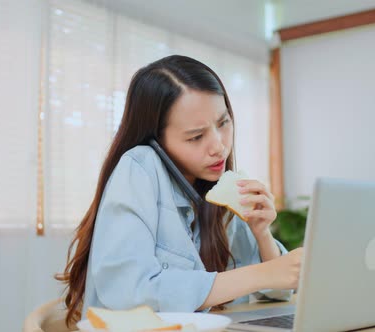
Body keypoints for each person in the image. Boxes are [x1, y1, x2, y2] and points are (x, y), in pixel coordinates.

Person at [56, 55, 303, 326]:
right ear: (157, 139)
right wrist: (262, 274)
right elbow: (129, 294)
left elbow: (278, 292)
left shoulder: (216, 188)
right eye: (196, 136)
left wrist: (261, 231)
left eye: (223, 122)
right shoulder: (139, 167)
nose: (218, 146)